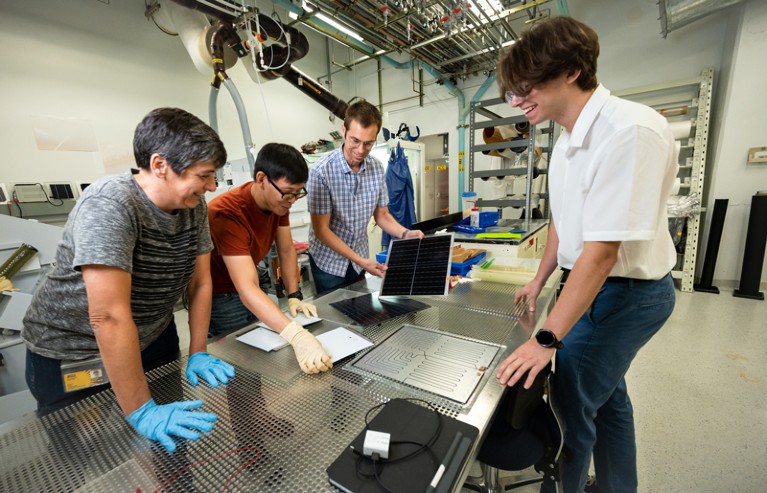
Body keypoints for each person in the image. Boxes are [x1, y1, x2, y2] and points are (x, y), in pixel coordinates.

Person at [494, 17, 678, 493]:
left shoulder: (628, 131)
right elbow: (564, 218)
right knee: (609, 400)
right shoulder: (566, 136)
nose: (516, 101)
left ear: (571, 71)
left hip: (626, 295)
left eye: (526, 87)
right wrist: (539, 279)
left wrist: (546, 339)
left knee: (570, 410)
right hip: (592, 286)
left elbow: (600, 253)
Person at [22, 107, 236, 453]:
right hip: (76, 352)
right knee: (85, 456)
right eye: (205, 175)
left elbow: (200, 283)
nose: (212, 185)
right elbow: (107, 316)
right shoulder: (111, 204)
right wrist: (140, 408)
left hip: (152, 335)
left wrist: (198, 350)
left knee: (172, 439)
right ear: (160, 165)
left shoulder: (194, 207)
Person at [207, 142, 332, 374]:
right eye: (288, 192)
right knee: (242, 362)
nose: (292, 200)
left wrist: (294, 295)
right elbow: (245, 288)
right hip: (222, 294)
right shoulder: (227, 213)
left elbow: (286, 250)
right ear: (262, 179)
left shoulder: (279, 203)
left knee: (263, 351)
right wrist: (297, 335)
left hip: (248, 283)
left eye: (298, 193)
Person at [307, 99, 424, 294]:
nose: (361, 150)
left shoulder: (377, 168)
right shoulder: (321, 171)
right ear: (344, 131)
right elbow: (321, 230)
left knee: (360, 312)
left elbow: (382, 216)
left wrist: (405, 233)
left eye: (368, 143)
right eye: (355, 140)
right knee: (335, 317)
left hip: (359, 261)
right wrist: (361, 260)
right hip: (328, 263)